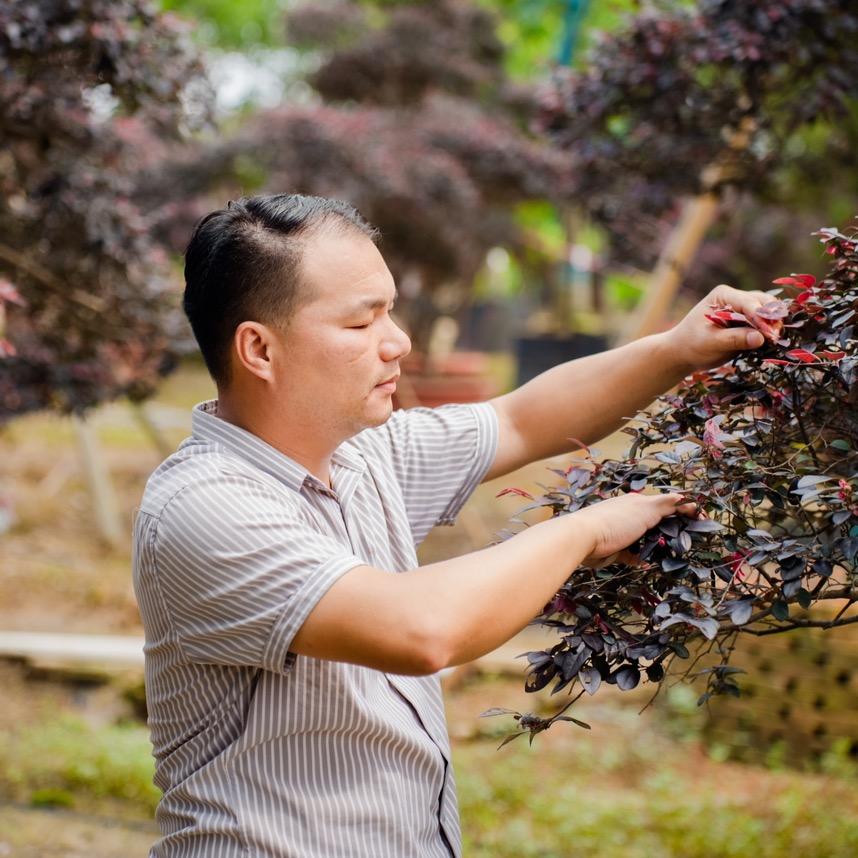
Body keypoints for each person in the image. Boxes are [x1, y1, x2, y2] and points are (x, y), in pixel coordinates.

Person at [132, 193, 775, 858]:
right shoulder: (203, 507)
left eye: (390, 311)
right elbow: (420, 630)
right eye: (361, 324)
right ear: (259, 349)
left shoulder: (363, 454)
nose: (398, 341)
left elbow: (525, 419)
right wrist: (582, 531)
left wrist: (677, 349)